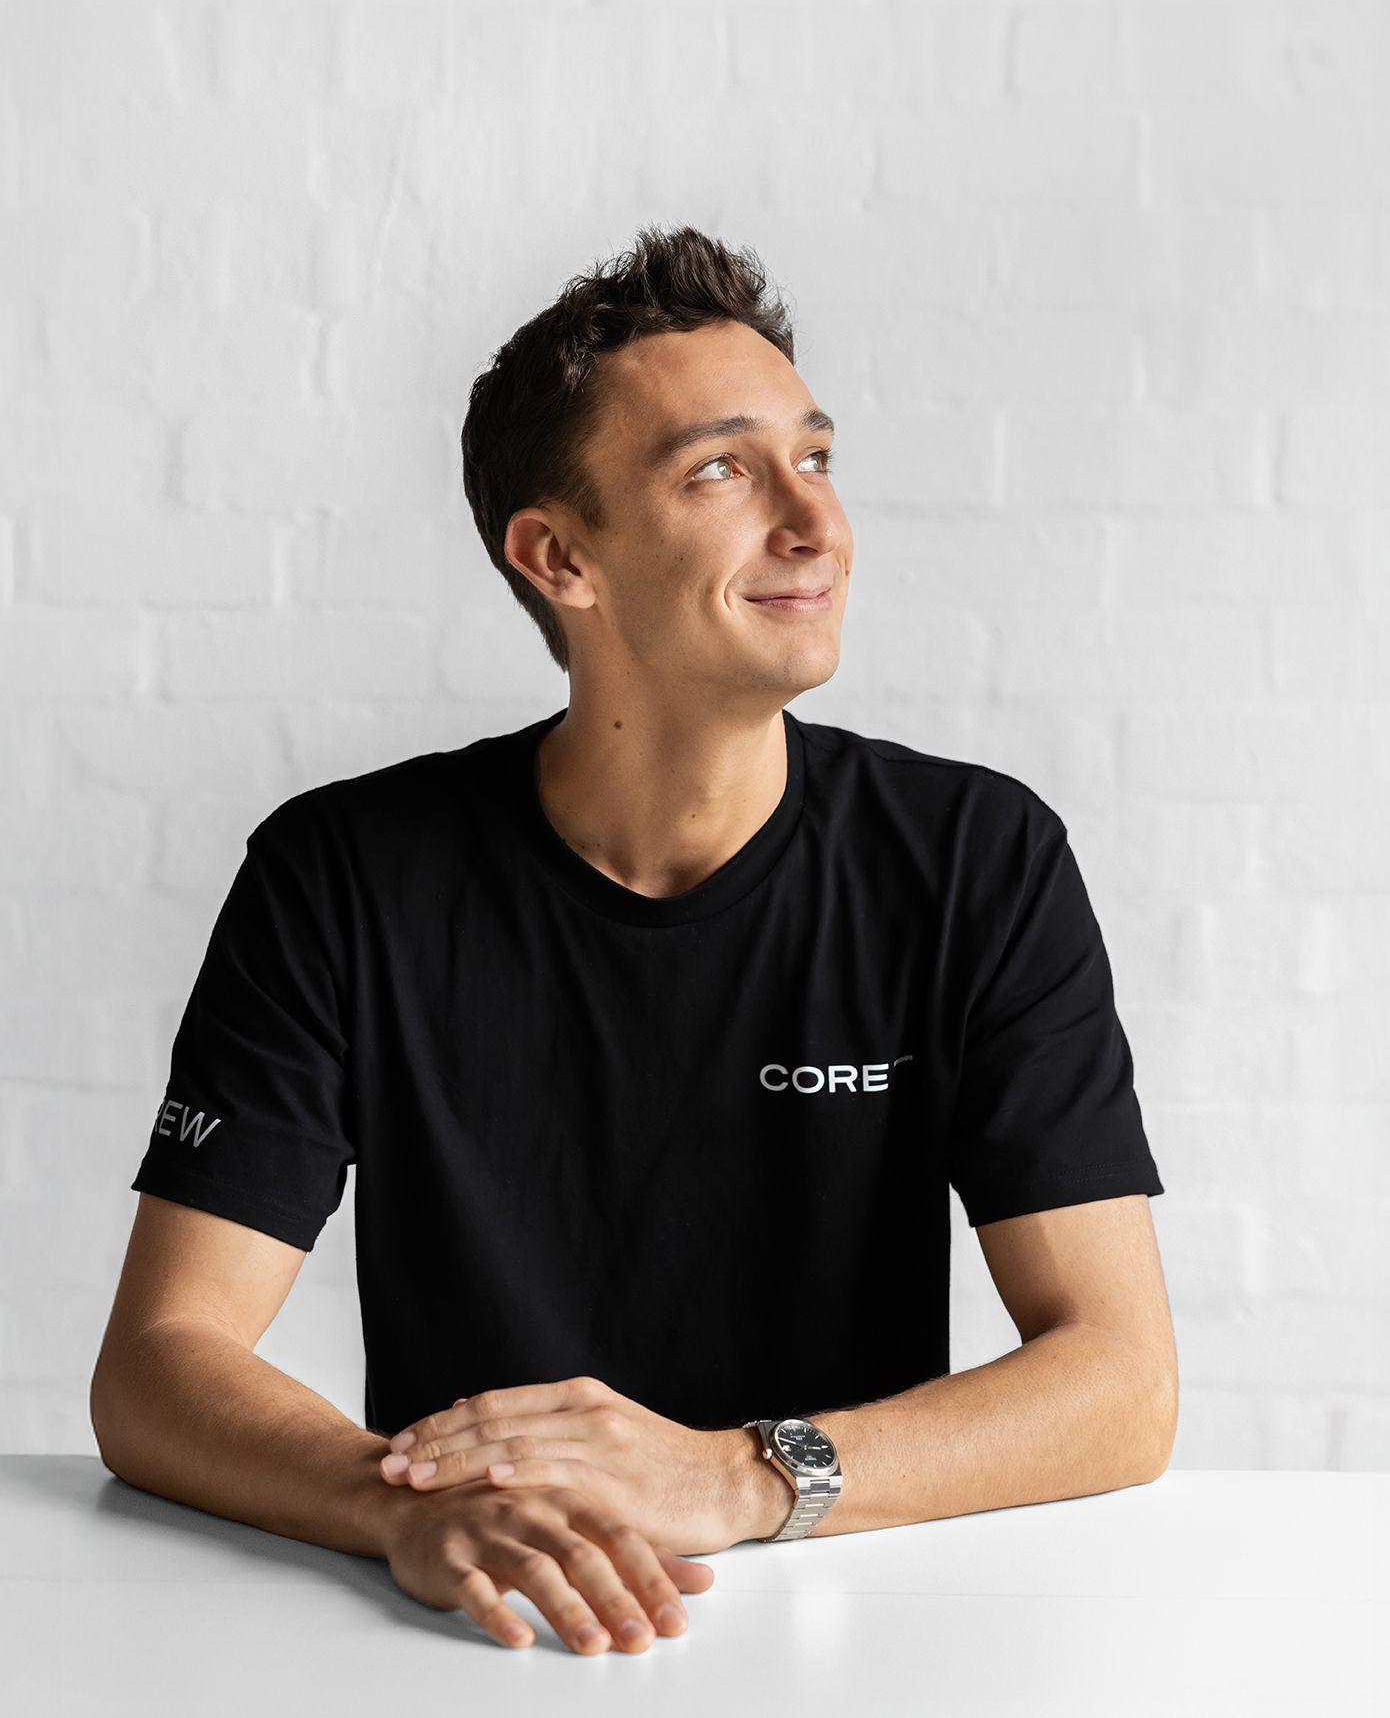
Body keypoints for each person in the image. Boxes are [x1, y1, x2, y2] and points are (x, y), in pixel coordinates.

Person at [91, 224, 1176, 1659]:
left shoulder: (976, 858)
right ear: (560, 556)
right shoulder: (343, 874)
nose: (814, 523)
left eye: (817, 457)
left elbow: (1120, 1382)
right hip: (483, 1636)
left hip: (857, 1624)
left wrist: (736, 1476)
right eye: (722, 471)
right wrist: (396, 1511)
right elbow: (158, 1363)